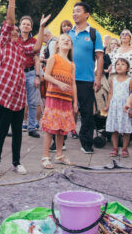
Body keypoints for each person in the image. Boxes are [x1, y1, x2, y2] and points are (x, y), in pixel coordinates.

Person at [0, 0, 49, 176]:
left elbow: (37, 46)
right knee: (2, 130)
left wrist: (41, 27)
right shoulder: (4, 43)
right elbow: (10, 19)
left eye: (17, 31)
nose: (15, 32)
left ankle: (16, 162)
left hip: (19, 93)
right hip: (6, 92)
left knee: (17, 131)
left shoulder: (21, 48)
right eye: (12, 30)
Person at [69, 2, 103, 154]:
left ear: (86, 14)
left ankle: (86, 142)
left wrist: (98, 78)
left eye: (78, 11)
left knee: (86, 113)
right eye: (74, 11)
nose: (75, 14)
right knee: (63, 110)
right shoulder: (68, 34)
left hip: (86, 79)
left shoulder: (94, 33)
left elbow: (100, 58)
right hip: (66, 79)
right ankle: (58, 142)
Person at [40, 34, 77, 169]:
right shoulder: (53, 58)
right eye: (63, 39)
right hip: (53, 97)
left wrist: (75, 102)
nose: (66, 41)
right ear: (57, 45)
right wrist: (59, 83)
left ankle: (59, 155)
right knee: (50, 127)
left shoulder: (72, 64)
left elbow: (73, 84)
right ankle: (45, 156)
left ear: (71, 45)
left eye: (69, 40)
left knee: (62, 128)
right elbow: (46, 75)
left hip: (66, 100)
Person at [104, 58, 132, 157]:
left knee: (126, 129)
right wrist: (107, 105)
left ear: (128, 68)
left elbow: (131, 95)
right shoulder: (113, 80)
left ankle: (125, 148)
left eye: (123, 64)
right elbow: (111, 93)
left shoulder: (130, 80)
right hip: (114, 107)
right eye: (118, 64)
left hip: (125, 106)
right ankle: (115, 148)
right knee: (115, 129)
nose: (120, 66)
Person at [19, 15, 42, 138]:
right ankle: (16, 126)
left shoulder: (34, 42)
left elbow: (37, 59)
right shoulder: (15, 40)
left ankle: (32, 127)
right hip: (17, 73)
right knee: (17, 101)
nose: (26, 26)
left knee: (32, 102)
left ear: (31, 27)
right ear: (20, 26)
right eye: (24, 24)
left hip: (31, 72)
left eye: (28, 24)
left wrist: (37, 76)